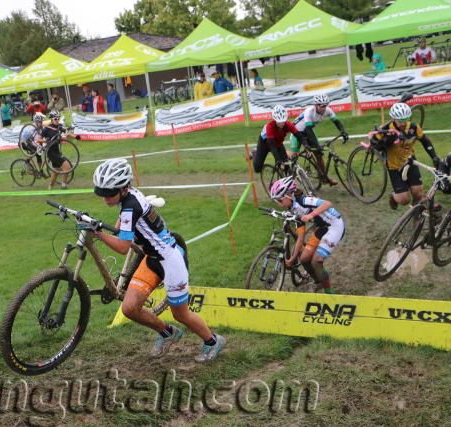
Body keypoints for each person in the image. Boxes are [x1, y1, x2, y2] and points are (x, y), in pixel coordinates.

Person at [92, 158, 226, 362]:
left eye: (108, 193)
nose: (104, 198)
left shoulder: (130, 206)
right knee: (129, 308)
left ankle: (213, 341)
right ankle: (167, 332)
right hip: (152, 259)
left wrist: (99, 234)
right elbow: (122, 227)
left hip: (171, 261)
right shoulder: (129, 196)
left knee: (180, 314)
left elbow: (121, 247)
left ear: (123, 188)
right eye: (100, 192)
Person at [269, 176, 344, 294]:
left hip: (335, 226)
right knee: (304, 259)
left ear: (288, 196)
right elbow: (300, 236)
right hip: (322, 227)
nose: (279, 203)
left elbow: (328, 203)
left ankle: (329, 292)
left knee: (316, 261)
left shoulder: (303, 200)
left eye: (280, 200)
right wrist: (293, 257)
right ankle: (319, 281)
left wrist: (311, 215)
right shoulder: (293, 209)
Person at [366, 102, 441, 209]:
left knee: (418, 193)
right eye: (400, 121)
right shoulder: (386, 128)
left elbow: (425, 141)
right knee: (404, 200)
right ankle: (393, 196)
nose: (403, 123)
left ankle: (417, 221)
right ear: (393, 119)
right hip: (394, 167)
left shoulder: (414, 127)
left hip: (410, 162)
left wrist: (434, 156)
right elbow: (374, 145)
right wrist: (387, 142)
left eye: (405, 119)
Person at [290, 94, 348, 186]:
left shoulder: (327, 110)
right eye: (321, 106)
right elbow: (307, 129)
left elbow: (337, 121)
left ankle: (324, 178)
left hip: (308, 131)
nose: (324, 108)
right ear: (316, 105)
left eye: (325, 105)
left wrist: (343, 132)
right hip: (297, 132)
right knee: (294, 157)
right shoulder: (309, 111)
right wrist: (316, 145)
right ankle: (289, 179)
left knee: (319, 154)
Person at [252, 105, 306, 174]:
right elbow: (272, 146)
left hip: (278, 143)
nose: (281, 123)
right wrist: (279, 161)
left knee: (286, 166)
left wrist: (306, 146)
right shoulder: (269, 127)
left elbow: (299, 136)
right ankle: (254, 153)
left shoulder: (288, 124)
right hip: (265, 144)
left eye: (283, 121)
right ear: (275, 120)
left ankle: (282, 180)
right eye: (279, 122)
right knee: (257, 168)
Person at [36, 110, 76, 190]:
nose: (57, 120)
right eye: (55, 118)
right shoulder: (47, 129)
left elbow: (67, 132)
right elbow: (38, 140)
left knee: (56, 171)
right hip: (50, 152)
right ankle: (63, 185)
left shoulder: (59, 127)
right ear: (51, 119)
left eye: (58, 118)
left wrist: (76, 136)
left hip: (57, 151)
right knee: (67, 167)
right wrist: (46, 141)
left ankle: (50, 187)